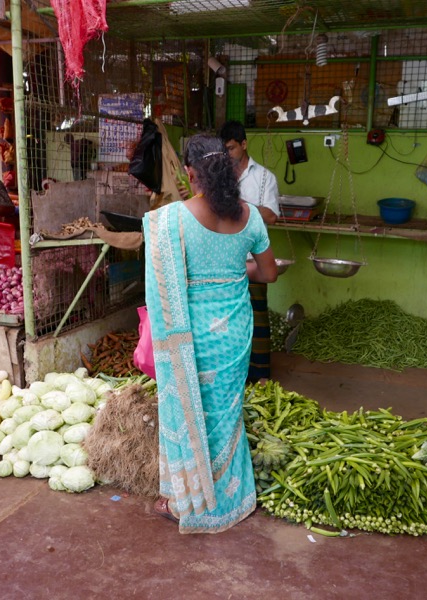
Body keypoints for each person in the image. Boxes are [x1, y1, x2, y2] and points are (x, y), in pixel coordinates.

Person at [143, 134, 277, 533]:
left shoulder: (172, 220)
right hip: (233, 333)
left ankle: (188, 501)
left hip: (189, 337)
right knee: (226, 415)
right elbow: (268, 273)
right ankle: (229, 497)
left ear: (190, 172)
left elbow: (167, 283)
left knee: (191, 413)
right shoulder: (250, 216)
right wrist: (236, 271)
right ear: (228, 169)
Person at [219, 120, 280, 383]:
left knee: (257, 317)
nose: (228, 154)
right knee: (230, 321)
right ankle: (236, 375)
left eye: (231, 149)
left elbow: (271, 215)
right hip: (225, 259)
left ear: (244, 145)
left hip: (252, 258)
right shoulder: (219, 177)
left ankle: (261, 375)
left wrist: (241, 206)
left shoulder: (264, 177)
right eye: (224, 150)